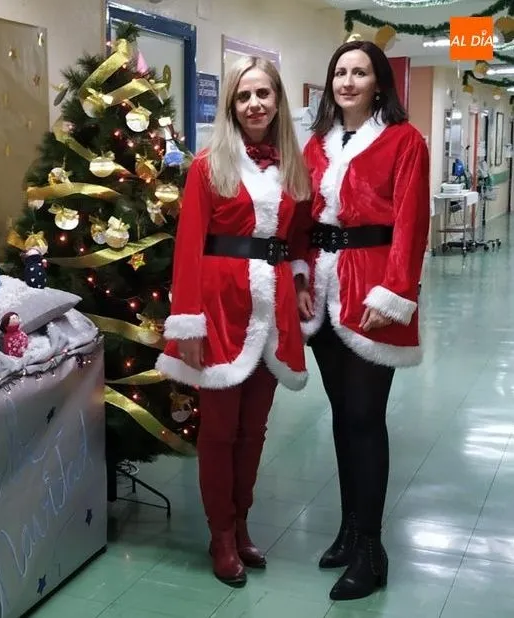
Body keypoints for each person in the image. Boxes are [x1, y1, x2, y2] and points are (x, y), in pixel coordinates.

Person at [155, 55, 310, 587]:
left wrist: (303, 281)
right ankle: (220, 534)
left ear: (278, 100)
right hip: (219, 311)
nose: (255, 104)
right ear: (231, 105)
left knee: (254, 431)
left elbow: (297, 239)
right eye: (244, 96)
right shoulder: (207, 166)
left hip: (272, 311)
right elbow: (189, 248)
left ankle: (241, 523)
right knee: (219, 432)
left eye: (264, 94)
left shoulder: (291, 166)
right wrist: (188, 324)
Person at [292, 39, 429, 601]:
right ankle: (350, 531)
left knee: (367, 416)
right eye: (340, 72)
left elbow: (412, 223)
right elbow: (299, 217)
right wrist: (300, 276)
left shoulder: (405, 141)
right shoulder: (317, 146)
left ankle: (372, 551)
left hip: (372, 288)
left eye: (360, 72)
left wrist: (394, 292)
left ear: (379, 83)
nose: (347, 81)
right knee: (343, 416)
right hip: (322, 289)